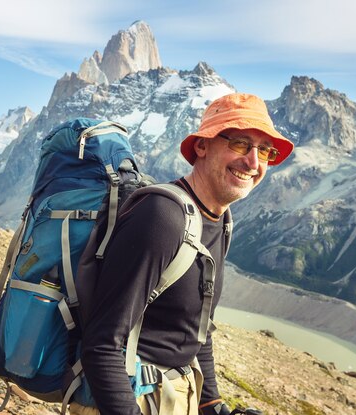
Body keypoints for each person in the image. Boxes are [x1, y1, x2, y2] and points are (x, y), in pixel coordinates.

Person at [70, 93, 294, 415]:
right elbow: (102, 345)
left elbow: (194, 331)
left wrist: (214, 405)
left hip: (171, 396)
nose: (254, 163)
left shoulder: (218, 220)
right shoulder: (162, 218)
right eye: (241, 144)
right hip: (127, 399)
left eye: (265, 151)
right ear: (201, 147)